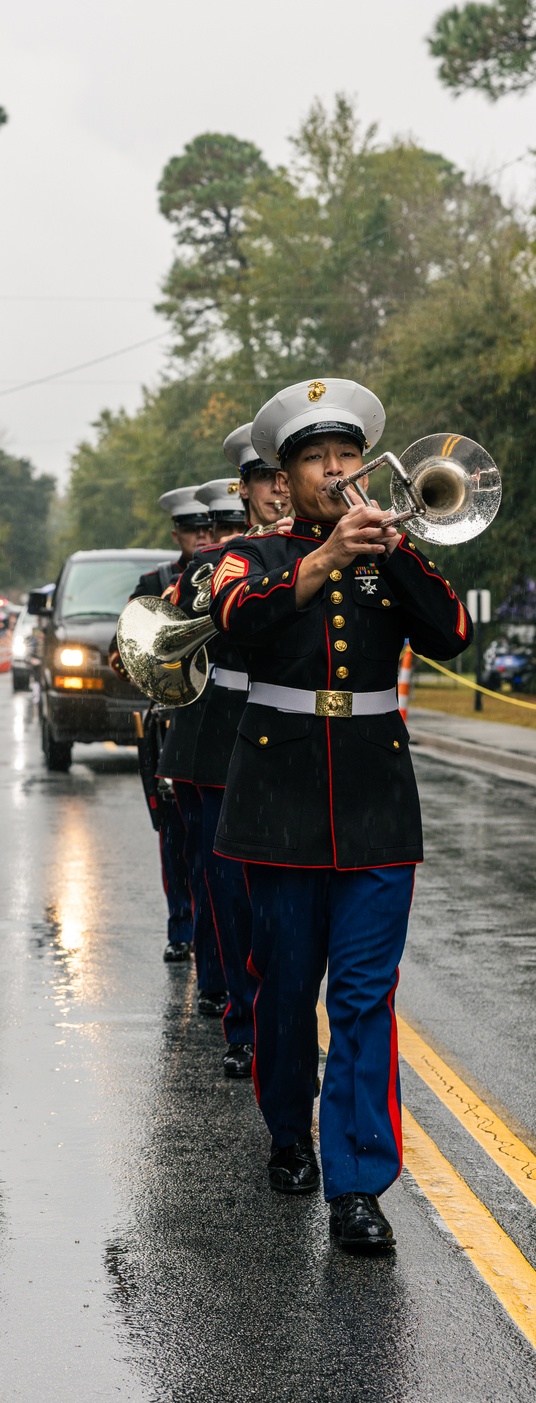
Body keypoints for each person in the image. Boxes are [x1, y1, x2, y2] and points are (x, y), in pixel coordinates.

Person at [209, 377, 473, 1252]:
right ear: (285, 478)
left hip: (373, 804)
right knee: (285, 992)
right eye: (319, 459)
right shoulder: (252, 552)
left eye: (349, 455)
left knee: (364, 997)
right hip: (277, 799)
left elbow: (453, 631)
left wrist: (391, 549)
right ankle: (289, 1129)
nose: (338, 470)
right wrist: (323, 560)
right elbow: (236, 620)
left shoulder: (389, 550)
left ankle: (357, 1185)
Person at [110, 485, 224, 984]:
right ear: (177, 534)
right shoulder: (156, 581)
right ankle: (181, 925)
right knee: (176, 834)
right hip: (169, 720)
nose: (202, 538)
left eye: (210, 529)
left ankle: (208, 936)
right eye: (194, 531)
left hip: (216, 714)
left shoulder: (228, 568)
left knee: (210, 844)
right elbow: (125, 653)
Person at [163, 479, 249, 1042]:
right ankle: (220, 982)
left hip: (277, 728)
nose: (215, 537)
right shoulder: (199, 574)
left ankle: (263, 1008)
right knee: (213, 870)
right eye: (215, 530)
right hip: (211, 727)